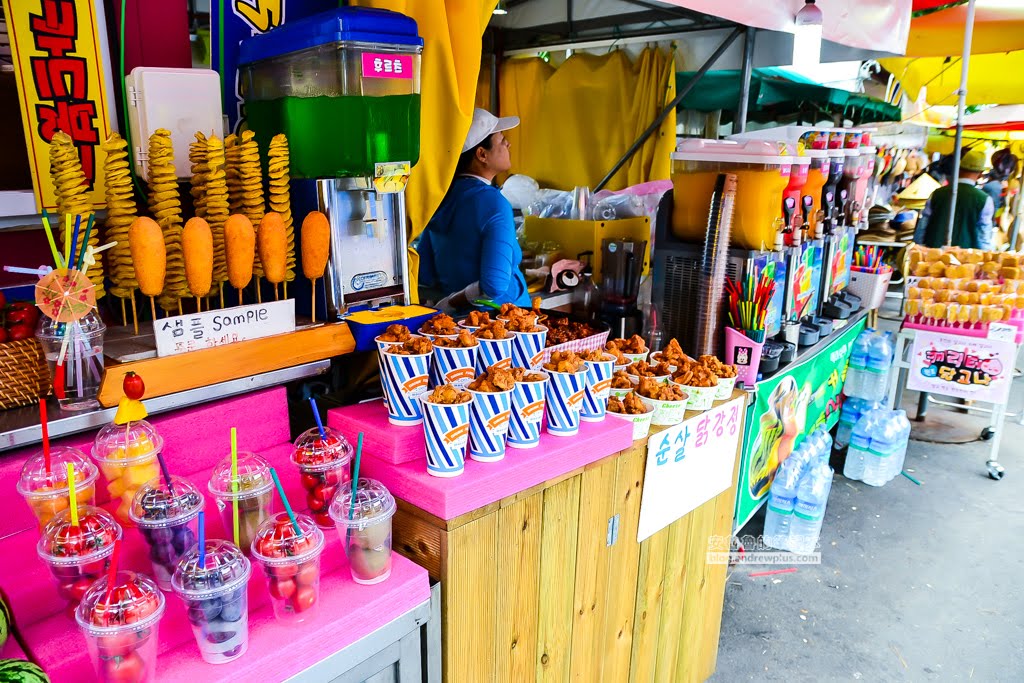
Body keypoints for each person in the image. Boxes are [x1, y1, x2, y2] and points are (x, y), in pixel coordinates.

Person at [417, 109, 532, 313]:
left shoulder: (440, 199)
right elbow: (494, 285)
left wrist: (449, 304)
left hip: (458, 325)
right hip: (503, 324)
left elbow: (424, 272)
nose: (508, 144)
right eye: (502, 140)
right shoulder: (494, 203)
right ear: (481, 154)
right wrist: (452, 303)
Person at [914, 149, 994, 249]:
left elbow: (923, 225)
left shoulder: (937, 194)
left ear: (959, 168)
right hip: (965, 259)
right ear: (981, 174)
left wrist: (919, 247)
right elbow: (983, 236)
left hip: (933, 255)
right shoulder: (985, 200)